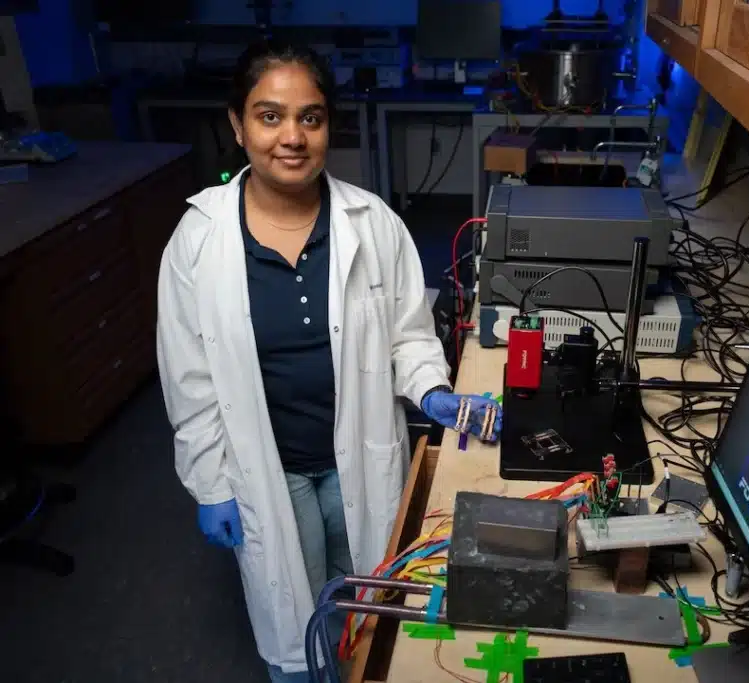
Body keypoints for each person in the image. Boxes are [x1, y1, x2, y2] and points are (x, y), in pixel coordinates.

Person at [155, 41, 501, 683]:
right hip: (268, 464)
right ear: (238, 125)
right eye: (270, 116)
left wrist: (432, 391)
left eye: (309, 118)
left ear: (328, 127)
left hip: (358, 458)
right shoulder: (198, 240)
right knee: (295, 619)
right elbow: (189, 377)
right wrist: (209, 483)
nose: (291, 137)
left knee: (369, 599)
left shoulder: (373, 224)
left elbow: (408, 335)